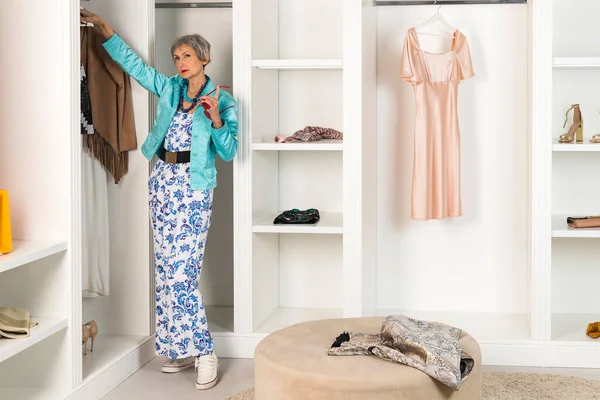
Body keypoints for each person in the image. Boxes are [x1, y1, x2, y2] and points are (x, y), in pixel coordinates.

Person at [80, 9, 238, 391]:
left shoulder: (222, 98)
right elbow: (134, 65)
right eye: (176, 58)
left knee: (183, 274)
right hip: (162, 182)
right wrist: (105, 30)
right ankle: (179, 348)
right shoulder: (170, 88)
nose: (180, 63)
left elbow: (230, 151)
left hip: (194, 187)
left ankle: (205, 352)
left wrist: (216, 119)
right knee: (166, 272)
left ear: (205, 58)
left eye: (187, 56)